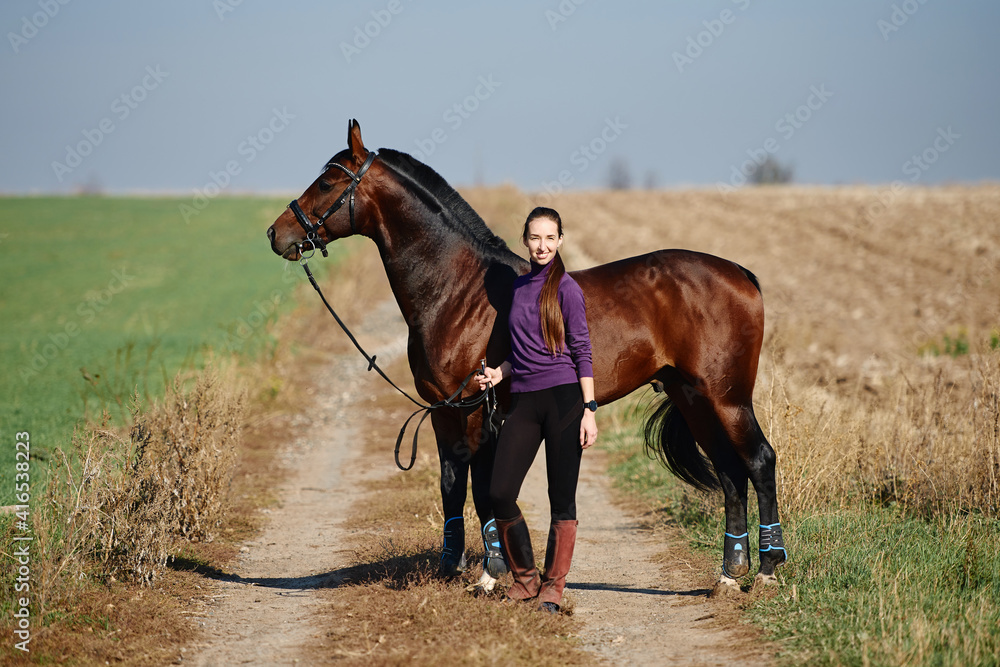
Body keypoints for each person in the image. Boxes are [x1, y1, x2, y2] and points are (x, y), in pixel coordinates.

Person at [477, 206, 598, 614]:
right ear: (525, 241)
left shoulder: (567, 289)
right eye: (535, 237)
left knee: (561, 497)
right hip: (525, 400)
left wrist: (590, 408)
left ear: (560, 241)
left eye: (550, 238)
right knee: (500, 491)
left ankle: (554, 586)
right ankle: (526, 578)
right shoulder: (518, 288)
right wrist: (499, 373)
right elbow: (521, 350)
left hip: (565, 400)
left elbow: (582, 350)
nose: (542, 245)